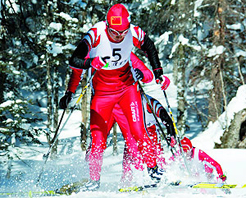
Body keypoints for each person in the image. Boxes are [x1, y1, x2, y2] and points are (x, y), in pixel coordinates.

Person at [59, 4, 170, 191]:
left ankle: (153, 172)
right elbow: (75, 61)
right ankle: (93, 181)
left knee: (138, 132)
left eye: (122, 32)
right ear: (107, 25)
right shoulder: (96, 34)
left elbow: (149, 47)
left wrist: (157, 72)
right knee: (98, 140)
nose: (119, 36)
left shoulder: (132, 32)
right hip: (103, 96)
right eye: (114, 32)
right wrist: (85, 70)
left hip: (127, 91)